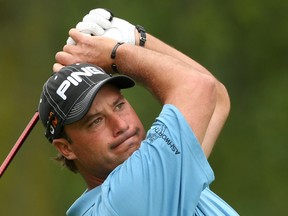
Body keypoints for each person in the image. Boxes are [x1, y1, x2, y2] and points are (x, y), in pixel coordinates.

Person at [39, 8, 239, 215]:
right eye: (95, 121)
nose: (121, 125)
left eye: (119, 105)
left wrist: (135, 39)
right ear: (66, 148)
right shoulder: (125, 199)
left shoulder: (162, 179)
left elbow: (216, 100)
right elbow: (197, 86)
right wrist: (116, 53)